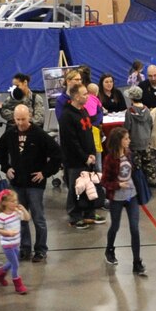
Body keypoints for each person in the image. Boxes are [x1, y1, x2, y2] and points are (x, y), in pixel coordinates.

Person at [0, 102, 58, 266]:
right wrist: (6, 168)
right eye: (17, 119)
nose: (20, 123)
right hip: (17, 184)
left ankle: (40, 249)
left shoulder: (39, 134)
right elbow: (1, 150)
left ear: (29, 117)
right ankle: (25, 248)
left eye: (23, 119)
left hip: (34, 185)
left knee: (38, 218)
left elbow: (57, 154)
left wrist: (45, 173)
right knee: (20, 218)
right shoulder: (10, 134)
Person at [99, 126, 146, 276]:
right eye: (126, 138)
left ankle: (137, 262)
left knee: (134, 228)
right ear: (119, 141)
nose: (129, 140)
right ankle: (110, 249)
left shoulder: (129, 154)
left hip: (131, 195)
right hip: (117, 198)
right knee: (115, 226)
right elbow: (104, 182)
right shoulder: (110, 159)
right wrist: (118, 185)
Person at [58, 83, 98, 228]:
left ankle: (88, 213)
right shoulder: (67, 115)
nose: (87, 96)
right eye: (84, 94)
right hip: (74, 161)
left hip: (88, 158)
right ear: (75, 96)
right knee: (76, 188)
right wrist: (84, 157)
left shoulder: (83, 111)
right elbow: (71, 141)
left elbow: (89, 133)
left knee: (89, 186)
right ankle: (74, 216)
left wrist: (92, 153)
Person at [0, 189, 26, 293]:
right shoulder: (1, 217)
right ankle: (18, 285)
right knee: (15, 264)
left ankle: (0, 274)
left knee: (12, 262)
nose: (15, 203)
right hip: (7, 245)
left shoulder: (16, 212)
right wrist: (8, 233)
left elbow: (27, 218)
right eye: (12, 201)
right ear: (4, 203)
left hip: (16, 243)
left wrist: (23, 210)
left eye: (16, 201)